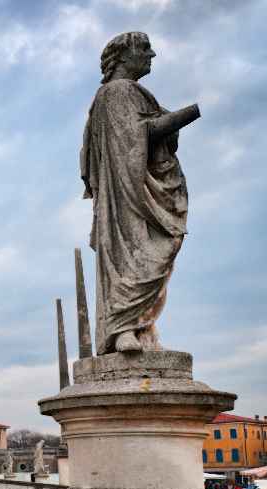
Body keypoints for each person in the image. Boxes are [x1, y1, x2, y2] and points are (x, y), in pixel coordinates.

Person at [81, 32, 200, 354]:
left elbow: (145, 133)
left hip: (138, 187)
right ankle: (122, 328)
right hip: (129, 192)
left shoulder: (130, 93)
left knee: (148, 255)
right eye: (145, 49)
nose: (152, 55)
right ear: (122, 56)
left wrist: (168, 121)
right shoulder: (118, 92)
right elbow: (134, 139)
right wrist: (187, 114)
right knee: (135, 257)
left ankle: (140, 327)